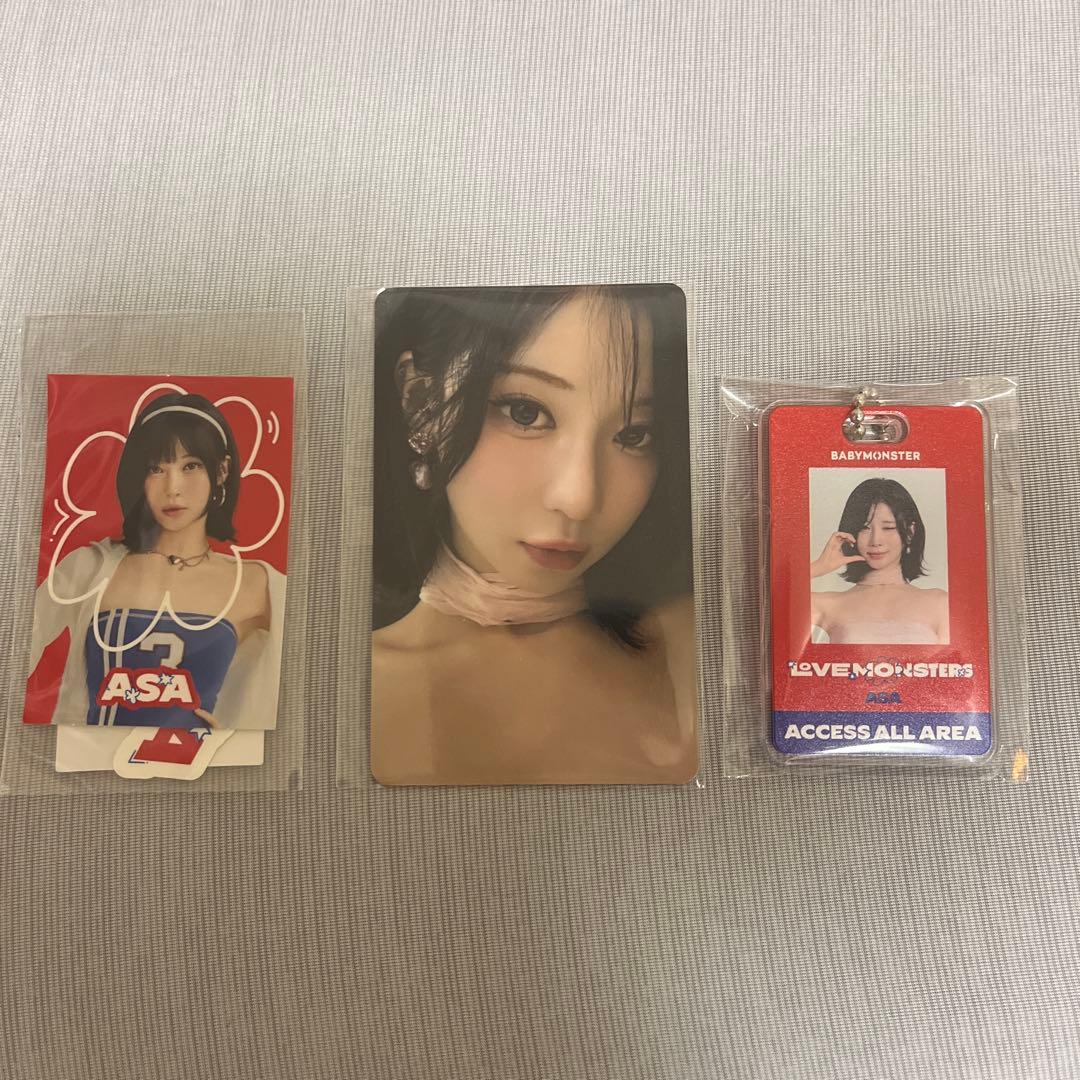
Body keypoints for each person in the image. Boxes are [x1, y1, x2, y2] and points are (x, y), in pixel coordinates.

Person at [371, 285, 697, 785]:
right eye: (525, 412)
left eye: (634, 435)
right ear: (422, 406)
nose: (579, 498)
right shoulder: (348, 692)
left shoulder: (696, 648)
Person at [29, 392, 287, 730]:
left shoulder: (259, 585)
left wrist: (236, 739)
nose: (172, 488)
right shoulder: (89, 568)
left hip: (199, 760)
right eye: (156, 468)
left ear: (221, 470)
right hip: (87, 756)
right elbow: (13, 648)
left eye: (190, 466)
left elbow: (311, 691)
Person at [809, 477, 949, 645]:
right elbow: (781, 603)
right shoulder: (828, 605)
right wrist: (818, 567)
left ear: (910, 533)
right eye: (864, 528)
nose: (876, 541)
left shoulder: (940, 603)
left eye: (888, 528)